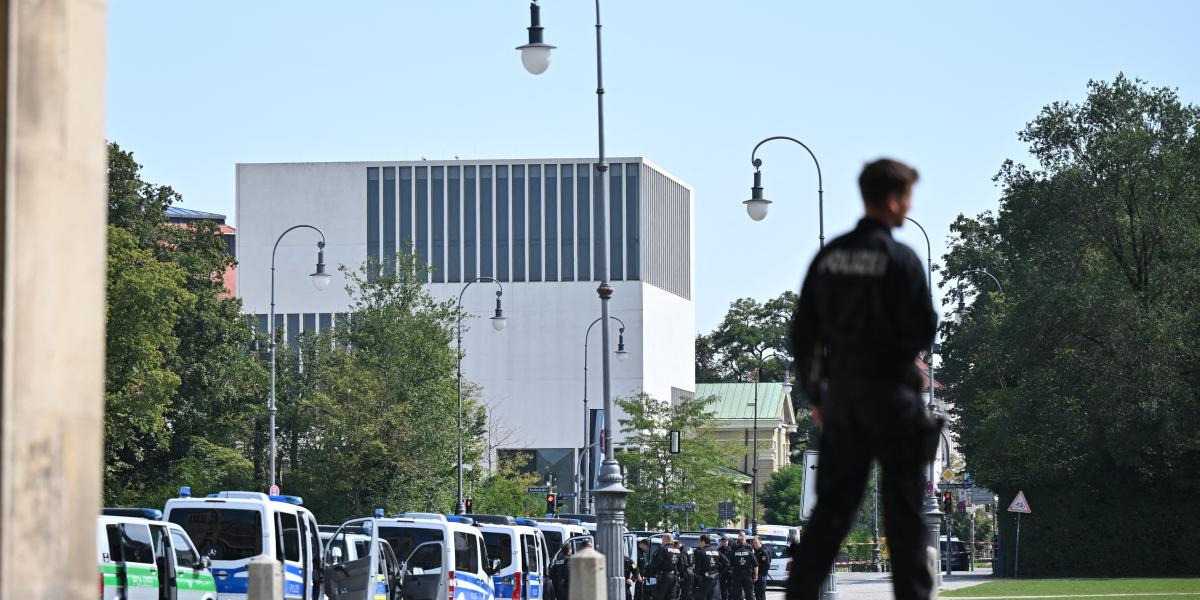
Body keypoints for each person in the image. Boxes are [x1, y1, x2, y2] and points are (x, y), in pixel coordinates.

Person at [787, 158, 939, 600]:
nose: (908, 207)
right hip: (894, 399)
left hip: (844, 401)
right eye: (907, 197)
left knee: (831, 516)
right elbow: (923, 328)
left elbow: (803, 334)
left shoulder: (830, 256)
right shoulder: (901, 259)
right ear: (893, 199)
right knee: (905, 518)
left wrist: (816, 393)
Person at [647, 534, 682, 600]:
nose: (662, 541)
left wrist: (650, 573)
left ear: (665, 540)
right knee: (671, 597)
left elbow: (656, 563)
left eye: (662, 540)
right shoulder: (677, 550)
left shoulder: (663, 549)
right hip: (674, 577)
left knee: (658, 596)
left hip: (664, 576)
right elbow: (680, 565)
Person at [694, 535, 729, 600]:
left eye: (700, 542)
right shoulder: (717, 551)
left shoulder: (701, 553)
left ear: (703, 542)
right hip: (715, 579)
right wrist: (720, 573)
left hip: (705, 580)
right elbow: (727, 563)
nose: (699, 544)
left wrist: (698, 578)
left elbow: (697, 569)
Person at [729, 533, 756, 600]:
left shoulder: (734, 553)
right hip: (747, 575)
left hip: (737, 575)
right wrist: (756, 575)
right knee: (749, 594)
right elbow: (756, 564)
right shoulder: (749, 552)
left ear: (737, 544)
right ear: (744, 543)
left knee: (736, 594)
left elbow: (730, 564)